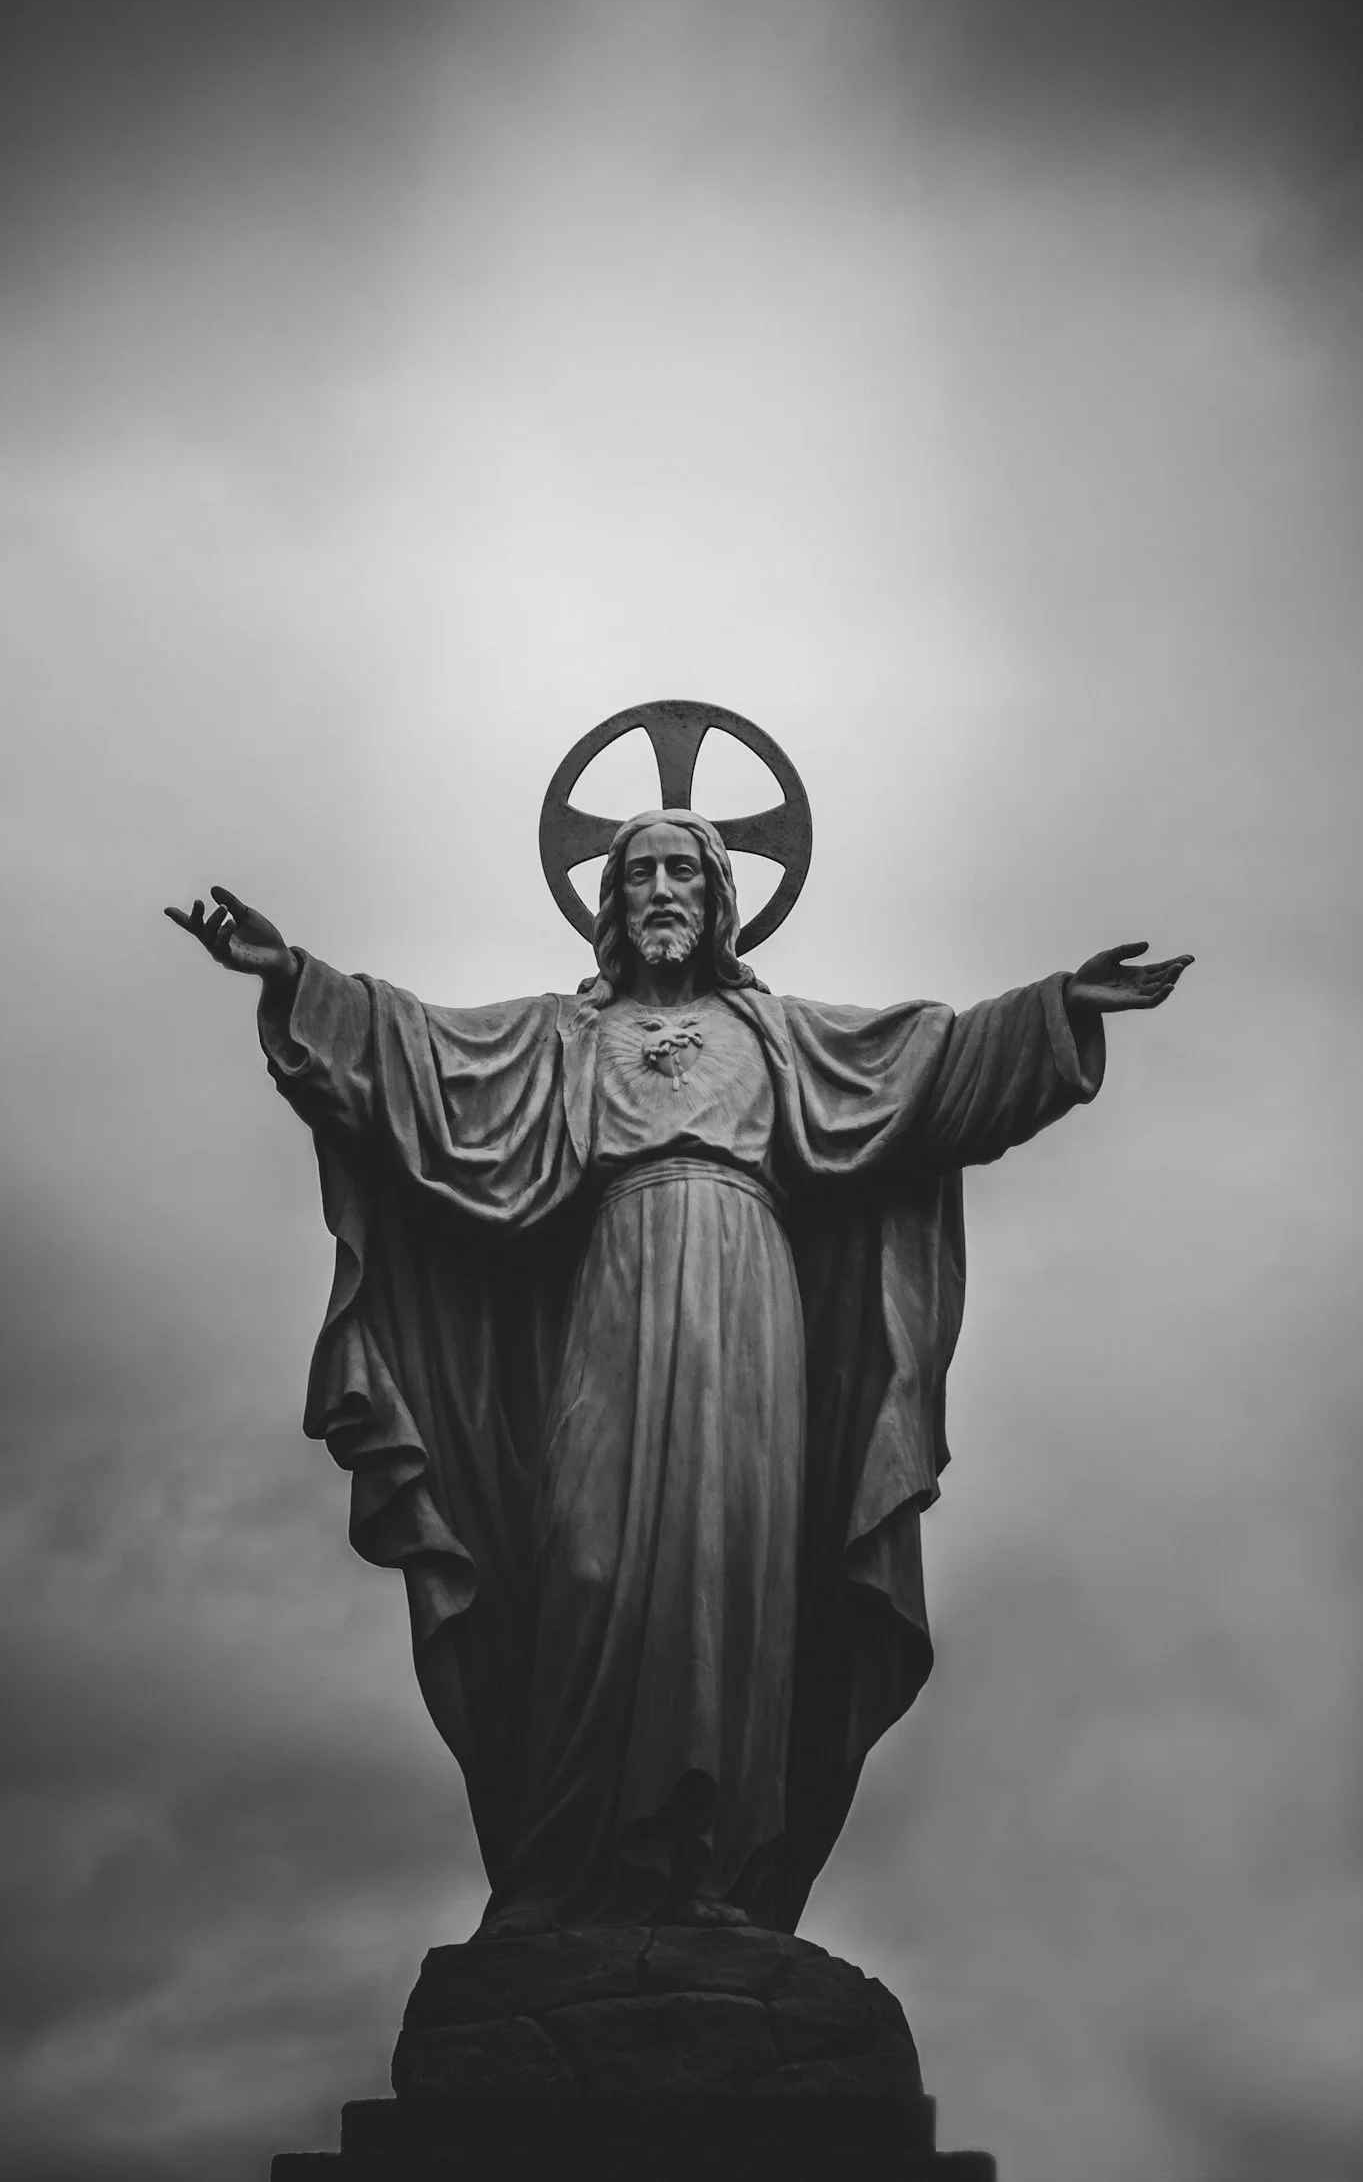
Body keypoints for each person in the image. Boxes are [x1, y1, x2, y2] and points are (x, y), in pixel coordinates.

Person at [168, 815, 1190, 1934]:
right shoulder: (564, 1035)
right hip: (615, 1281)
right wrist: (293, 977)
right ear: (611, 902)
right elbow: (419, 1056)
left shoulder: (778, 1035)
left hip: (750, 1301)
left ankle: (710, 1868)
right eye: (640, 872)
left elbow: (933, 1062)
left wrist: (1058, 1009)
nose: (661, 889)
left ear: (717, 899)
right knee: (588, 1559)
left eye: (683, 872)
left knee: (729, 1566)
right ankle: (568, 1868)